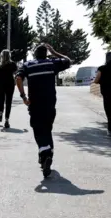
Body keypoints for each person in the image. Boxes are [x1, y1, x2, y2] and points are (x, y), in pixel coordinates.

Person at [15, 44, 71, 177]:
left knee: (38, 129)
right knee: (47, 128)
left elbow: (18, 78)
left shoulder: (28, 65)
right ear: (46, 54)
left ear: (35, 54)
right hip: (50, 103)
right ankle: (46, 156)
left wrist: (23, 96)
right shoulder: (52, 63)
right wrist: (54, 51)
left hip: (35, 103)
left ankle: (45, 153)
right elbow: (68, 61)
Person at [0, 50, 18, 128]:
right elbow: (16, 73)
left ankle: (0, 114)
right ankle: (7, 120)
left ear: (1, 55)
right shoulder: (13, 64)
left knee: (1, 98)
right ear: (9, 56)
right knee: (8, 101)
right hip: (10, 83)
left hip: (0, 83)